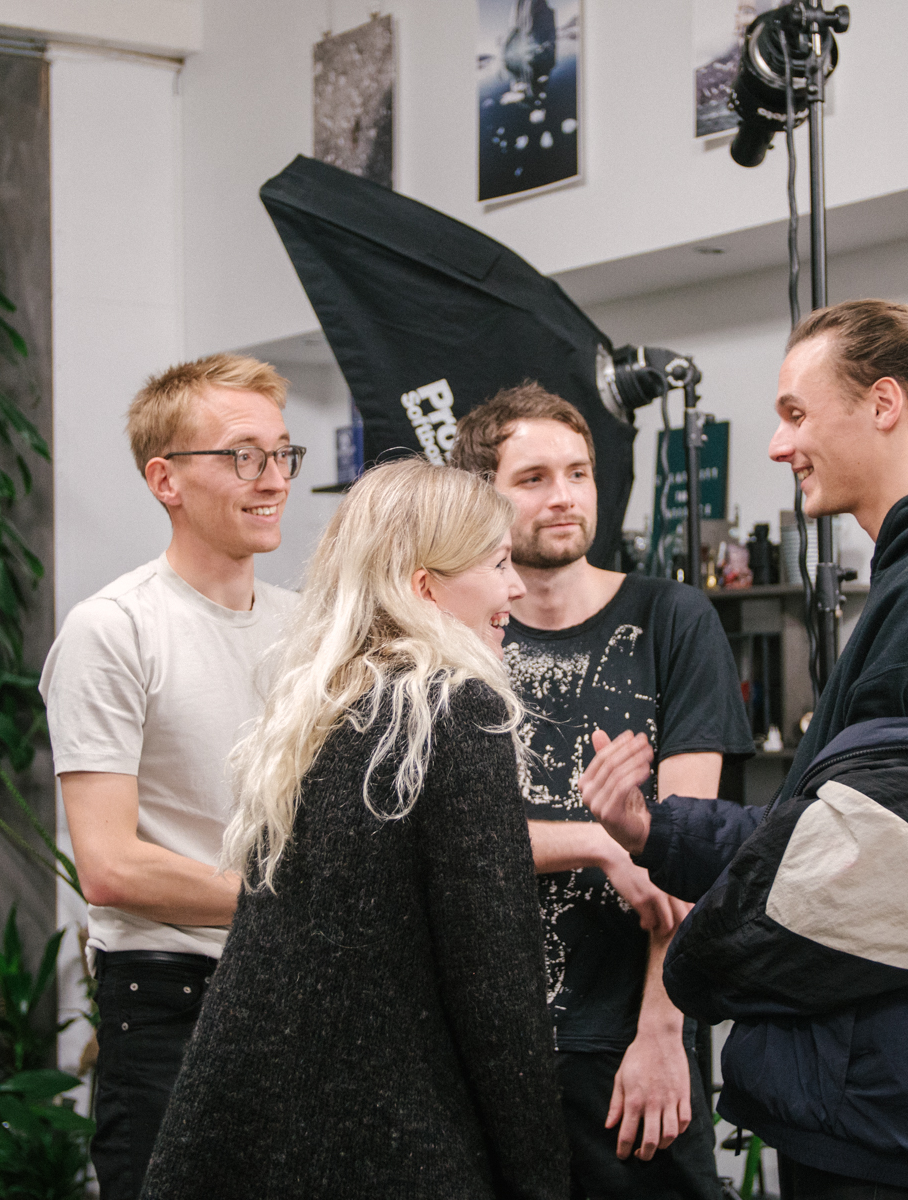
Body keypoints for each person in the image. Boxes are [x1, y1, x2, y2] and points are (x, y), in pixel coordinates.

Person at [579, 300, 908, 1199]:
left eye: (796, 414)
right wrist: (653, 829)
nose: (778, 446)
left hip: (882, 1095)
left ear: (884, 403)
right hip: (872, 1089)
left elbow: (875, 872)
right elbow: (828, 834)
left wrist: (706, 965)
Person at [140, 459, 569, 1199]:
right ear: (425, 587)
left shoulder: (320, 714)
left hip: (273, 1136)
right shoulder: (454, 711)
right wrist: (540, 1177)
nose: (516, 589)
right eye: (498, 564)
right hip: (400, 1144)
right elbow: (494, 984)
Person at [451, 385, 754, 1199]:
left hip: (626, 1039)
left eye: (578, 473)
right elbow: (447, 842)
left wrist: (663, 1033)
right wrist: (594, 839)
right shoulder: (459, 639)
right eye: (534, 478)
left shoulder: (673, 620)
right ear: (480, 497)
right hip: (482, 1043)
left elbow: (686, 851)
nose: (564, 496)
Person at [38, 353, 302, 1200]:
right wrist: (298, 905)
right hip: (170, 1002)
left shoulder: (309, 627)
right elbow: (110, 867)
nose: (273, 479)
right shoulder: (114, 630)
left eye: (282, 454)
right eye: (244, 456)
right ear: (166, 480)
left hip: (298, 989)